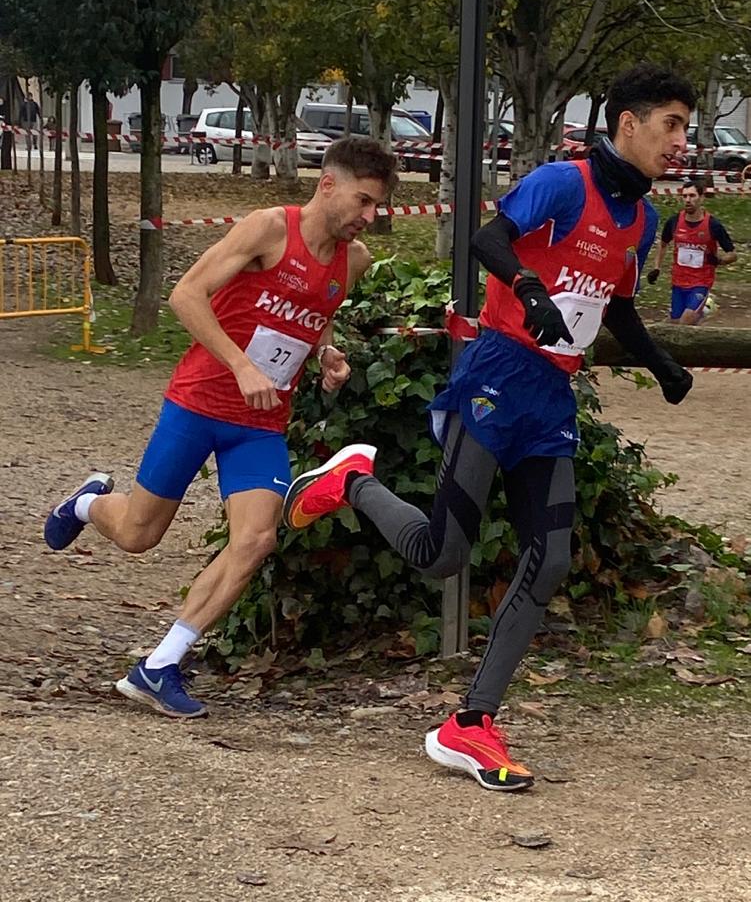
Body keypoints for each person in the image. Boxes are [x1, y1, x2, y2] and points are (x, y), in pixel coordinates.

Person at [282, 64, 696, 792]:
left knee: (554, 556)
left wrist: (661, 365)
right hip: (497, 377)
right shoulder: (564, 184)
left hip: (551, 401)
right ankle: (353, 481)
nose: (680, 142)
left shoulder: (642, 217)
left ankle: (469, 724)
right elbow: (486, 240)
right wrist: (528, 290)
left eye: (686, 128)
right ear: (626, 124)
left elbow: (616, 308)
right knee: (442, 554)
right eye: (670, 124)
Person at [44, 137, 397, 718]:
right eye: (362, 201)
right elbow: (187, 295)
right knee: (138, 535)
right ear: (326, 184)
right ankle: (87, 504)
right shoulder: (267, 229)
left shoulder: (351, 261)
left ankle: (160, 665)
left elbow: (316, 319)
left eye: (376, 207)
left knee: (256, 539)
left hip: (259, 425)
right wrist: (240, 364)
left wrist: (326, 354)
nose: (368, 218)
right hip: (199, 403)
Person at [646, 180, 737, 323]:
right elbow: (663, 244)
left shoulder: (713, 225)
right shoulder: (674, 221)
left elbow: (733, 254)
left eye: (692, 196)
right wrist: (656, 268)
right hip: (678, 282)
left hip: (701, 282)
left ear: (701, 198)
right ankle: (703, 310)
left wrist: (720, 260)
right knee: (675, 324)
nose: (688, 200)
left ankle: (704, 307)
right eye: (685, 196)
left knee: (685, 321)